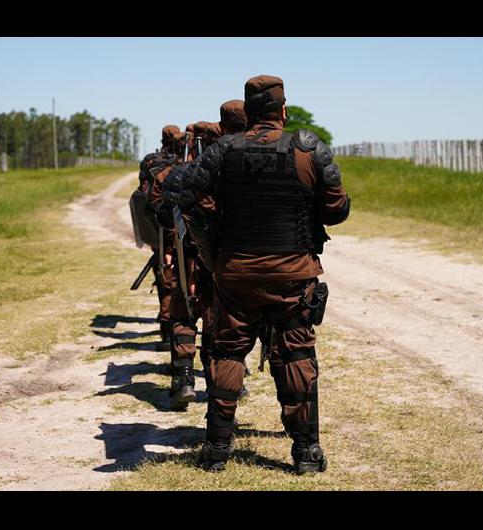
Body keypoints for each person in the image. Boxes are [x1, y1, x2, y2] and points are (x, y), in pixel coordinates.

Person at [183, 75, 350, 473]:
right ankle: (306, 452)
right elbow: (337, 211)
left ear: (250, 111)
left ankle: (217, 451)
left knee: (226, 353)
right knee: (296, 356)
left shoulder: (221, 151)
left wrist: (218, 224)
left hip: (235, 274)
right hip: (292, 276)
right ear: (283, 110)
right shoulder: (309, 151)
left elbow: (189, 197)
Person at [159, 101, 249, 410]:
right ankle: (224, 388)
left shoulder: (182, 173)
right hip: (227, 260)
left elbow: (162, 215)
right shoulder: (242, 168)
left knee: (184, 314)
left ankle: (184, 377)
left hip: (190, 257)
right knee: (217, 325)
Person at [141, 125, 184, 350]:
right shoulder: (191, 163)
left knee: (166, 280)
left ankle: (168, 333)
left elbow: (145, 196)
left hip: (163, 231)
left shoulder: (152, 163)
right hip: (183, 234)